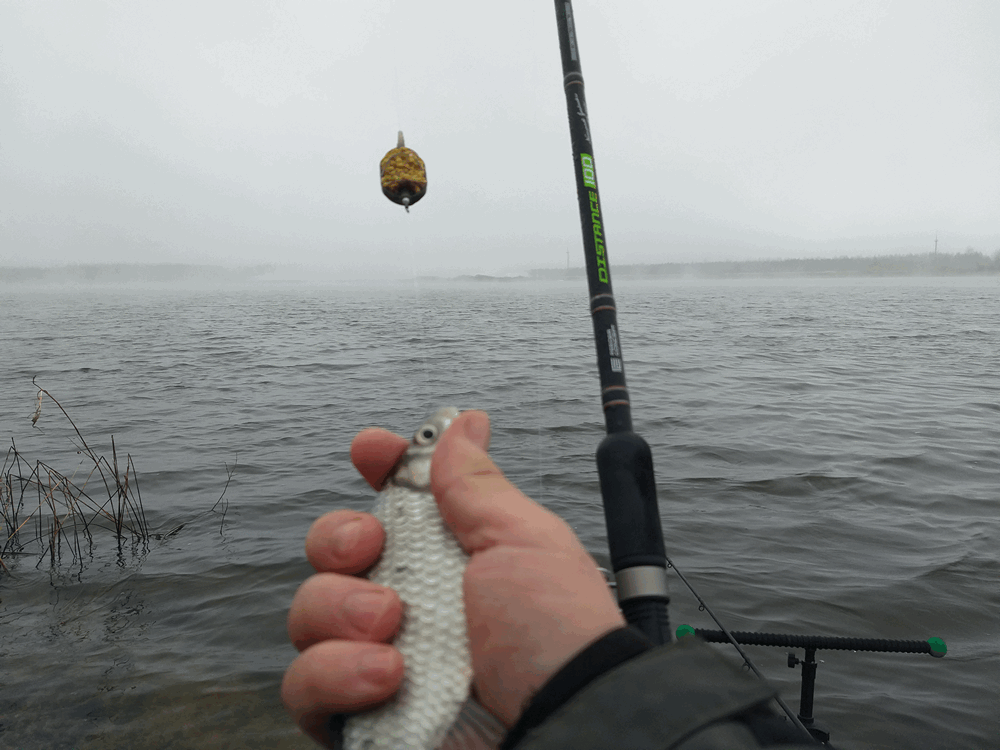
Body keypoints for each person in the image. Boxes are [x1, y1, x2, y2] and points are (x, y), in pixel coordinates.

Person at [282, 411, 818, 749]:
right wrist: (588, 689)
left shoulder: (426, 503)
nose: (440, 435)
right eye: (430, 436)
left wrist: (580, 682)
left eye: (429, 438)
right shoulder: (406, 505)